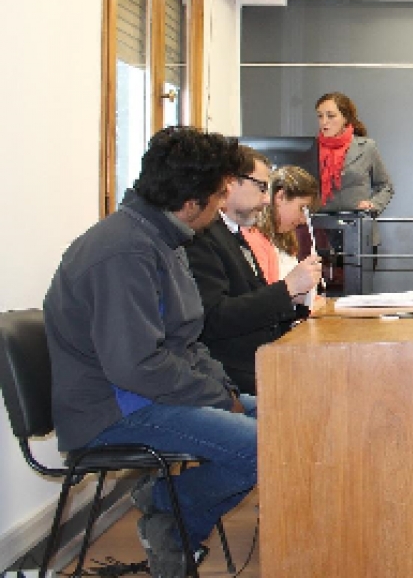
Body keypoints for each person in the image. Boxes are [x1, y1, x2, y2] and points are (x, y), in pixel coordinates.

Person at [43, 127, 254, 578]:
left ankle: (166, 512)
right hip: (112, 410)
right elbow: (136, 365)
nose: (222, 205)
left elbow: (186, 340)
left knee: (286, 423)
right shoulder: (123, 251)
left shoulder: (162, 238)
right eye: (219, 195)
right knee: (262, 447)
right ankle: (168, 514)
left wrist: (224, 390)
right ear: (191, 202)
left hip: (145, 393)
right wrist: (219, 398)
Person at [186, 146, 322, 394]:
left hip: (258, 364)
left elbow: (256, 304)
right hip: (234, 374)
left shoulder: (234, 234)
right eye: (261, 187)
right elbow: (215, 318)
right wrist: (287, 289)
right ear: (230, 182)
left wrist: (296, 300)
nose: (266, 200)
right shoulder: (203, 236)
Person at [242, 164, 322, 294]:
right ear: (280, 197)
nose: (303, 219)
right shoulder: (254, 238)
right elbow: (265, 295)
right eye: (302, 208)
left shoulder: (286, 239)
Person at [315, 92, 394, 215]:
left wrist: (373, 204)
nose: (324, 122)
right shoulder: (311, 149)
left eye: (331, 116)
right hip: (320, 223)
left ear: (345, 118)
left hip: (356, 222)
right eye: (320, 116)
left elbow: (385, 186)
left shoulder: (366, 147)